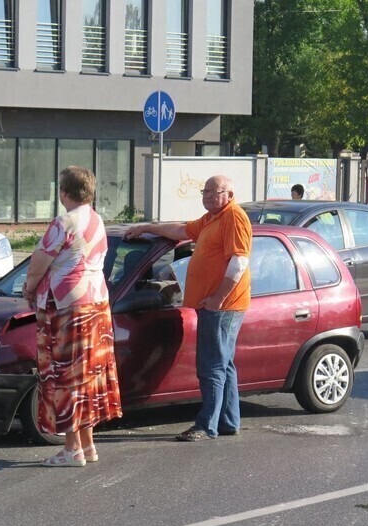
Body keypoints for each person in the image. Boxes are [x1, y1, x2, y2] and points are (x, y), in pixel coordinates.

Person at [124, 175, 252, 442]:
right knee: (223, 364)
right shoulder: (211, 218)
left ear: (229, 194)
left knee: (211, 366)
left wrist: (217, 297)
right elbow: (182, 231)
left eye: (213, 192)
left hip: (223, 306)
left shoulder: (234, 217)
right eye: (204, 191)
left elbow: (239, 262)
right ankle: (228, 421)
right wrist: (149, 227)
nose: (206, 196)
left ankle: (207, 425)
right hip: (216, 305)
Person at [22, 166, 122, 467]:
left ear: (63, 192)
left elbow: (38, 264)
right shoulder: (97, 219)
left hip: (67, 306)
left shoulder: (63, 222)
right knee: (88, 375)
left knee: (64, 374)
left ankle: (72, 449)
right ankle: (87, 445)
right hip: (96, 303)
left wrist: (29, 290)